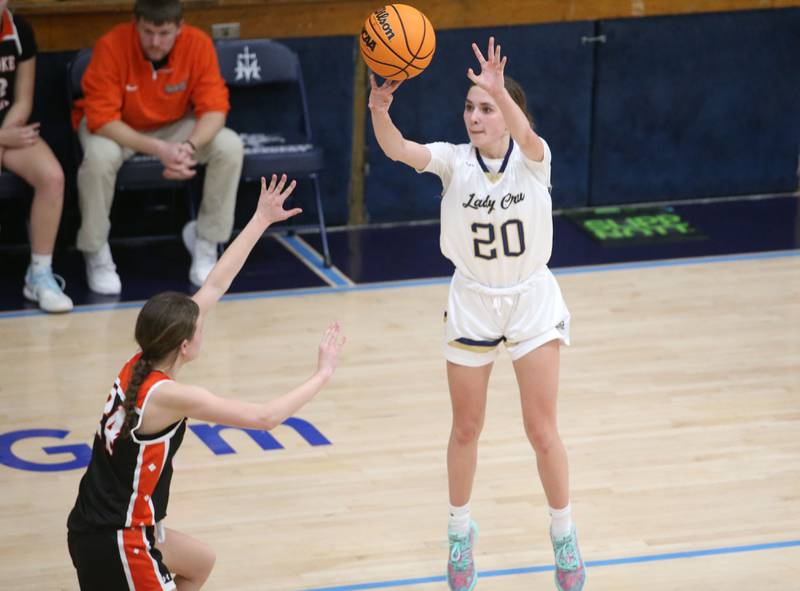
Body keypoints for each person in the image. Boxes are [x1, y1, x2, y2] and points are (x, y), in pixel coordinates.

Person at [368, 38, 585, 591]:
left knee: (542, 430)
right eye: (469, 107)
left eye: (486, 108)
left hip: (531, 300)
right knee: (466, 428)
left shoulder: (534, 160)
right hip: (473, 301)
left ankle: (563, 533)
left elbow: (527, 135)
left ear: (509, 115)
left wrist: (499, 90)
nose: (474, 117)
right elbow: (397, 150)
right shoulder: (453, 161)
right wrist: (379, 111)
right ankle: (459, 532)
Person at [67, 174, 346, 590]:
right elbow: (265, 417)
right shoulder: (171, 396)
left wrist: (260, 219)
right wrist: (322, 373)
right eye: (199, 328)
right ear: (184, 345)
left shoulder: (140, 359)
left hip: (96, 522)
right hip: (119, 539)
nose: (204, 326)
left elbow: (215, 284)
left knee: (200, 562)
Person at [72, 0, 244, 294]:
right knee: (99, 157)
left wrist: (188, 146)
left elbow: (215, 109)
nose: (155, 42)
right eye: (148, 32)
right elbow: (101, 119)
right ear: (135, 24)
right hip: (117, 126)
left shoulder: (198, 44)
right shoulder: (111, 45)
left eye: (164, 33)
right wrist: (160, 150)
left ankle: (206, 242)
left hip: (175, 124)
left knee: (228, 145)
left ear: (179, 28)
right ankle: (95, 250)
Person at [0, 0, 72, 312]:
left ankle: (39, 274)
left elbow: (23, 100)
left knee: (52, 178)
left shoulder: (20, 30)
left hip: (10, 128)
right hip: (6, 136)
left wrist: (4, 136)